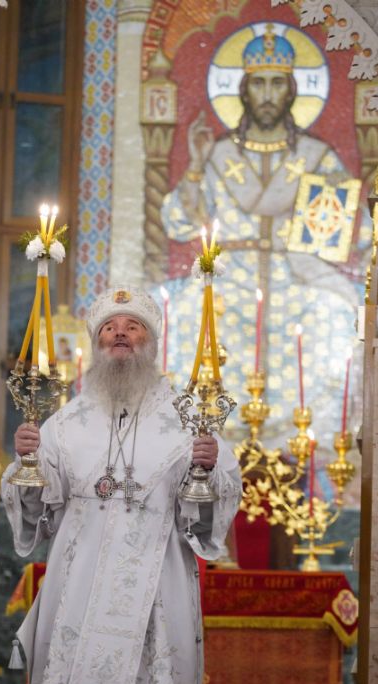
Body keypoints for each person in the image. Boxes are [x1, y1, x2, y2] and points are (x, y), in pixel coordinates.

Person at [2, 285, 241, 684]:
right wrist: (25, 464)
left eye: (132, 327)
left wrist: (210, 467)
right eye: (111, 328)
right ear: (95, 342)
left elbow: (209, 514)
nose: (120, 336)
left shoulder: (187, 420)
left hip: (157, 592)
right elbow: (37, 512)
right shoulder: (64, 421)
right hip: (78, 591)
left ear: (151, 342)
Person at [161, 23, 365, 445]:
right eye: (259, 83)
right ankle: (206, 438)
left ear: (291, 91)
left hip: (296, 278)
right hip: (229, 277)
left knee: (337, 310)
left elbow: (352, 230)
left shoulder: (317, 157)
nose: (268, 94)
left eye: (277, 83)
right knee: (182, 311)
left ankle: (316, 440)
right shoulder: (218, 155)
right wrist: (196, 165)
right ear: (244, 91)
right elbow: (178, 223)